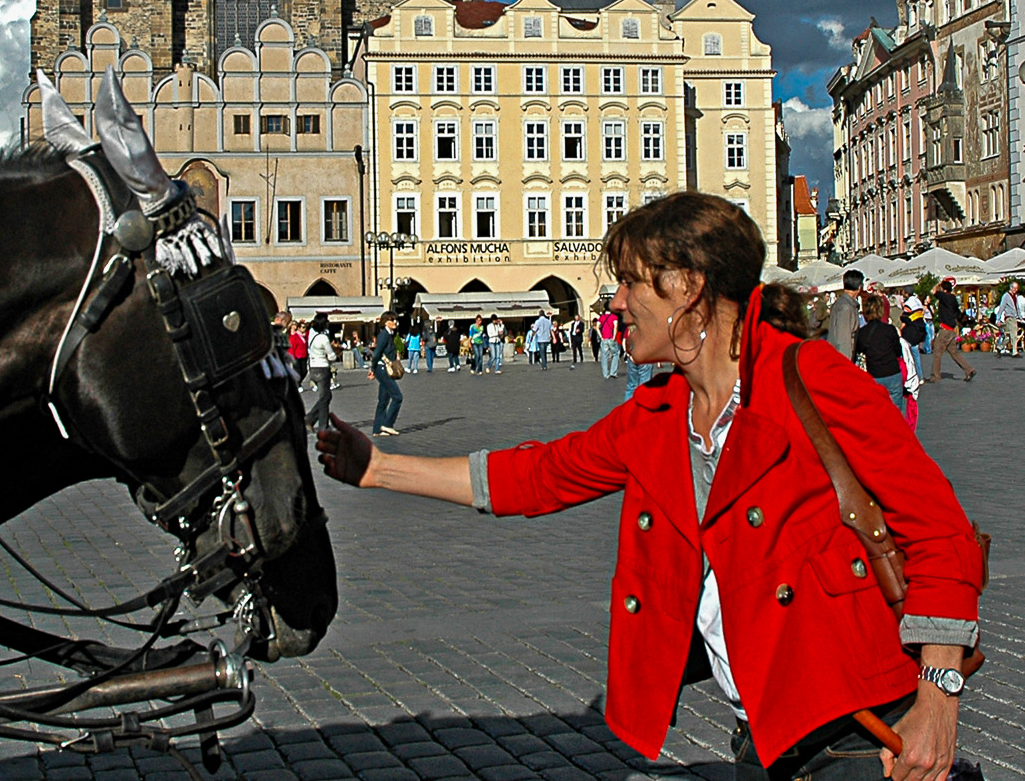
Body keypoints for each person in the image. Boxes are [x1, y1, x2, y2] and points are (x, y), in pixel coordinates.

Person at [316, 193, 984, 781]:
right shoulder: (659, 413)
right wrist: (376, 469)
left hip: (865, 735)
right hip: (766, 734)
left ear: (688, 288)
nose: (614, 302)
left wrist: (938, 699)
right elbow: (540, 475)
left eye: (631, 283)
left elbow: (941, 534)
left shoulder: (808, 378)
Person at [854, 291, 908, 415]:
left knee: (876, 412)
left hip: (874, 374)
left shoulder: (862, 332)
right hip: (892, 372)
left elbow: (860, 350)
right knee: (895, 414)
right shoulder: (889, 330)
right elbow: (898, 351)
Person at [930, 279, 974, 384]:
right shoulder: (953, 298)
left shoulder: (943, 296)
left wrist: (938, 284)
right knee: (954, 352)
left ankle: (935, 376)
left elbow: (933, 291)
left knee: (937, 352)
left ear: (943, 289)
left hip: (944, 329)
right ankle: (969, 370)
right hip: (952, 329)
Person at [371, 313, 405, 435]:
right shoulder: (384, 335)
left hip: (383, 369)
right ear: (385, 322)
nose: (395, 322)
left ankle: (377, 429)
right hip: (382, 369)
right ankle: (387, 424)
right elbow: (376, 353)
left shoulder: (390, 335)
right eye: (392, 320)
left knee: (383, 400)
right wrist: (372, 369)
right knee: (397, 396)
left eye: (395, 320)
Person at [824, 270, 864, 359]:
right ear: (860, 287)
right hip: (842, 359)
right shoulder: (846, 307)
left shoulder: (840, 303)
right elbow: (844, 339)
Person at [304, 319, 336, 429]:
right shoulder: (323, 338)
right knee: (324, 397)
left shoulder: (311, 336)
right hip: (322, 368)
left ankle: (311, 419)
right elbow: (331, 355)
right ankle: (322, 425)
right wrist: (332, 357)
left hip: (313, 368)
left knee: (326, 396)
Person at [992, 287, 1020, 357]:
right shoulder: (1006, 296)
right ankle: (1014, 351)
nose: (1016, 290)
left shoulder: (1015, 296)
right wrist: (998, 319)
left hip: (1014, 317)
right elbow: (1002, 307)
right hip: (1009, 318)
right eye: (1015, 288)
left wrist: (1020, 316)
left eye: (1017, 288)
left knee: (1010, 336)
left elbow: (1016, 307)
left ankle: (999, 347)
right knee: (1014, 335)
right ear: (1011, 287)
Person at [597, 308, 622, 378]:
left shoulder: (601, 317)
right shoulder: (614, 317)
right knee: (615, 354)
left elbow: (597, 327)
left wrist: (601, 336)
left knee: (604, 356)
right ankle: (613, 372)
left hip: (604, 339)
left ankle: (605, 374)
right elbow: (615, 326)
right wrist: (614, 336)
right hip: (611, 338)